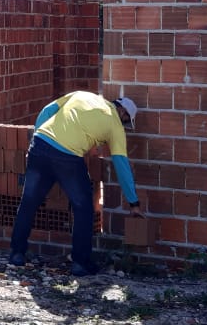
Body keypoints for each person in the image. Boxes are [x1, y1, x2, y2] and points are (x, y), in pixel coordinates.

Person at [8, 91, 143, 276]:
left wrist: (37, 138)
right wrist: (133, 202)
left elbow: (48, 110)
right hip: (67, 159)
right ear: (123, 114)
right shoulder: (115, 126)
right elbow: (121, 165)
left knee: (28, 202)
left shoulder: (81, 95)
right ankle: (80, 263)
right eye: (126, 122)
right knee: (83, 208)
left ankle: (16, 254)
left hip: (39, 146)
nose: (124, 125)